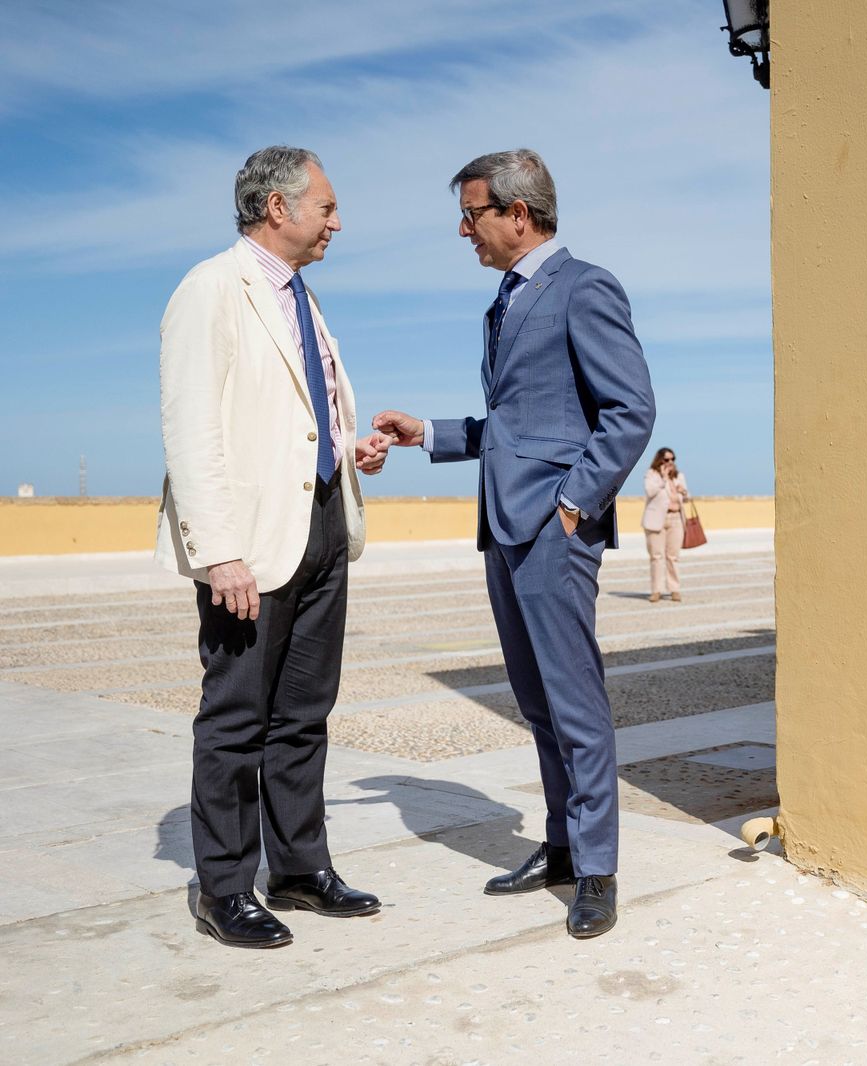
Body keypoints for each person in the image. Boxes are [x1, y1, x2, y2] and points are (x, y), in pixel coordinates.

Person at [372, 149, 654, 940]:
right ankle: (562, 845)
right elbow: (519, 423)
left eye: (472, 215)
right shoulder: (505, 301)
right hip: (504, 529)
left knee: (574, 700)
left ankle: (596, 868)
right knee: (536, 703)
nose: (465, 231)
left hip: (551, 531)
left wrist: (573, 504)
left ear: (517, 214)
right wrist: (425, 433)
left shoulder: (585, 287)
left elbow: (629, 410)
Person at [156, 146, 392, 949]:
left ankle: (299, 869)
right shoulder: (211, 289)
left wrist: (347, 448)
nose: (336, 221)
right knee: (234, 717)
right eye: (325, 207)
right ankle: (222, 886)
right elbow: (191, 431)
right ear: (277, 209)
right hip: (251, 544)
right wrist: (219, 552)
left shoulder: (303, 297)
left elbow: (297, 416)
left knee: (303, 714)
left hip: (324, 523)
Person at [642, 447, 689, 603]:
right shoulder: (652, 475)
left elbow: (687, 499)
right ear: (660, 460)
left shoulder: (679, 476)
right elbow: (650, 492)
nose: (670, 462)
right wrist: (663, 478)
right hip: (656, 521)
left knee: (673, 557)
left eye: (672, 459)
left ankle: (674, 589)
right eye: (667, 459)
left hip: (676, 519)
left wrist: (683, 492)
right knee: (656, 556)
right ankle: (656, 590)